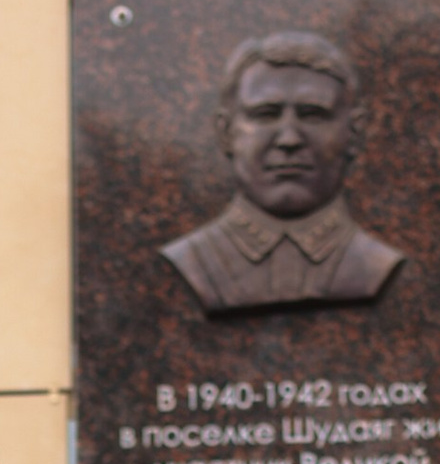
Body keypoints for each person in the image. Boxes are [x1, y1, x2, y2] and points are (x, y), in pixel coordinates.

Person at [162, 29, 405, 315]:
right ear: (225, 132)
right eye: (266, 115)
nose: (289, 139)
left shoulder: (375, 263)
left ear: (353, 133)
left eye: (313, 115)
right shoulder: (193, 261)